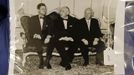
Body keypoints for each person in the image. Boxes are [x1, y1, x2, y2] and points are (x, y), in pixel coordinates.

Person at [29, 3, 53, 69]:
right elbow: (30, 30)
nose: (44, 10)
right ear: (38, 10)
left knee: (52, 41)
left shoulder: (49, 19)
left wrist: (48, 36)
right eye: (43, 9)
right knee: (37, 41)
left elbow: (51, 30)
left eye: (45, 9)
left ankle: (47, 61)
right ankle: (41, 61)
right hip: (36, 38)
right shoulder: (33, 18)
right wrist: (35, 35)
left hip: (45, 38)